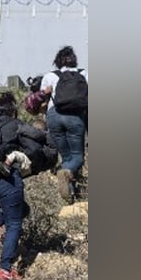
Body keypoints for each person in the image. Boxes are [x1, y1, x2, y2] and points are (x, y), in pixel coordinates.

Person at [0, 93, 47, 280]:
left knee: (23, 209)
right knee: (14, 224)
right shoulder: (15, 125)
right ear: (14, 112)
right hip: (6, 181)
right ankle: (5, 270)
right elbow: (36, 142)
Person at [39, 45, 88, 201]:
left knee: (66, 157)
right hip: (75, 117)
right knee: (77, 157)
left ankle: (70, 195)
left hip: (54, 116)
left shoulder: (49, 76)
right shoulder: (84, 74)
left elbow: (42, 102)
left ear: (58, 61)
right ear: (74, 60)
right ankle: (66, 175)